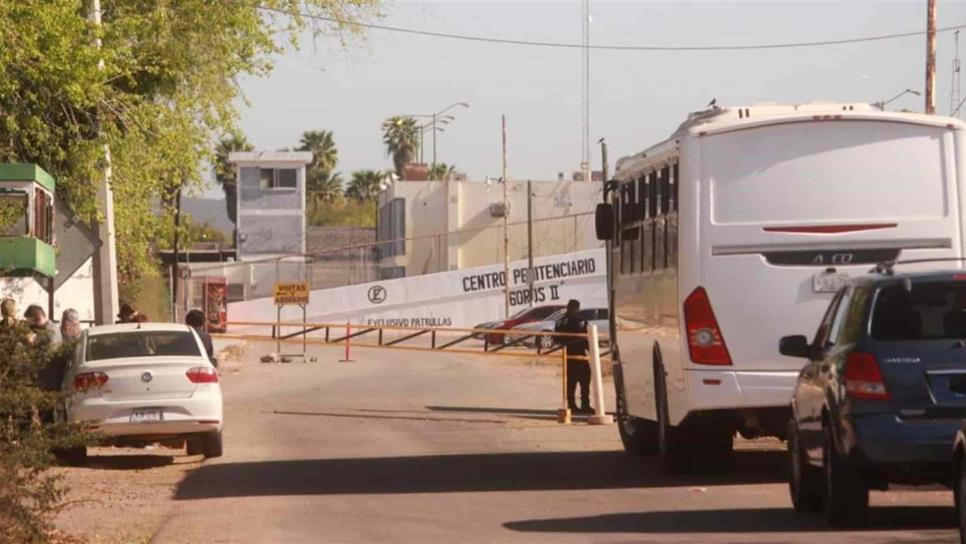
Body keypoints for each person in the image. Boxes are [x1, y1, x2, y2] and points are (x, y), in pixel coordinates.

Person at [555, 299, 592, 414]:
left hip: (567, 354)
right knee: (585, 379)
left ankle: (571, 404)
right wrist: (590, 350)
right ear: (576, 308)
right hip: (579, 354)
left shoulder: (559, 321)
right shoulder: (580, 321)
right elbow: (586, 338)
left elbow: (556, 339)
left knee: (571, 381)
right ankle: (585, 405)